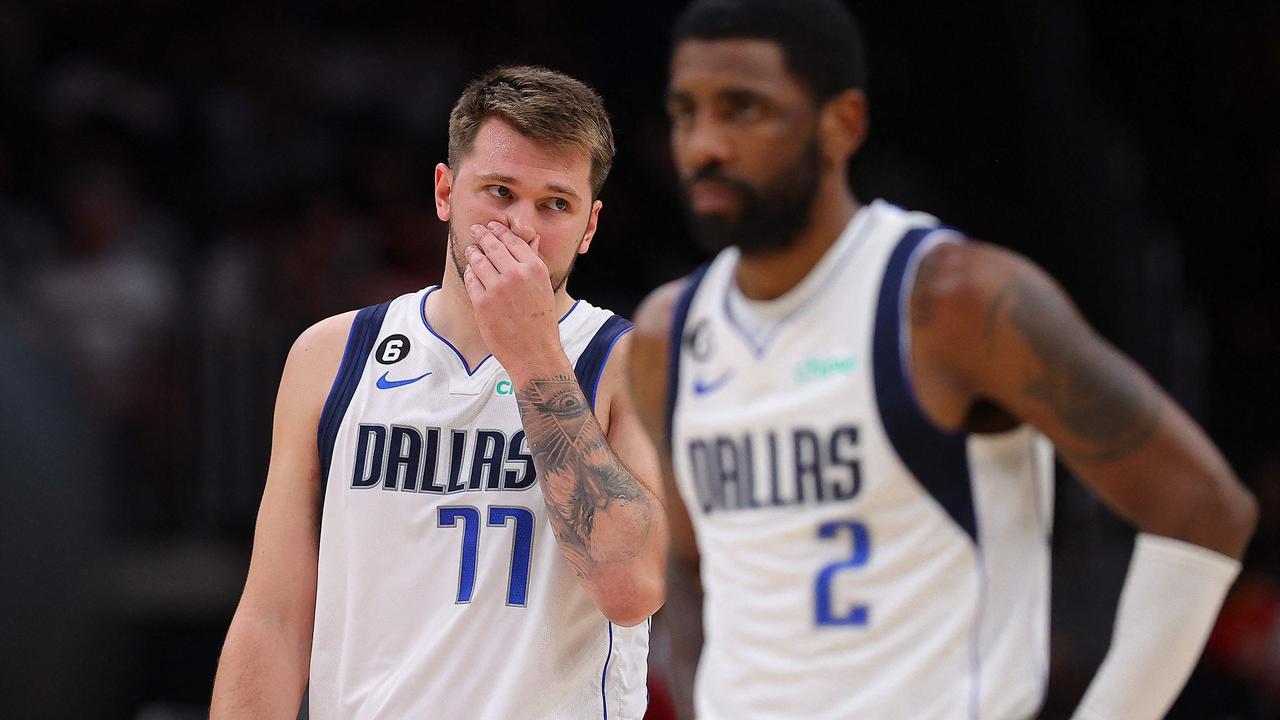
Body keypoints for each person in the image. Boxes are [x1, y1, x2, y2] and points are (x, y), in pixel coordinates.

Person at [626, 1, 1258, 718]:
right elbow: (687, 565)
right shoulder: (666, 333)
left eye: (744, 110)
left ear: (841, 125)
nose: (705, 144)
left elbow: (1206, 509)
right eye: (686, 112)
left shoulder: (956, 302)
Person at [211, 65, 666, 719]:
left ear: (590, 226)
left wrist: (535, 356)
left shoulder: (626, 361)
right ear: (445, 191)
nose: (523, 227)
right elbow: (273, 619)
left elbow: (630, 585)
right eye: (500, 191)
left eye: (555, 204)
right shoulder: (332, 357)